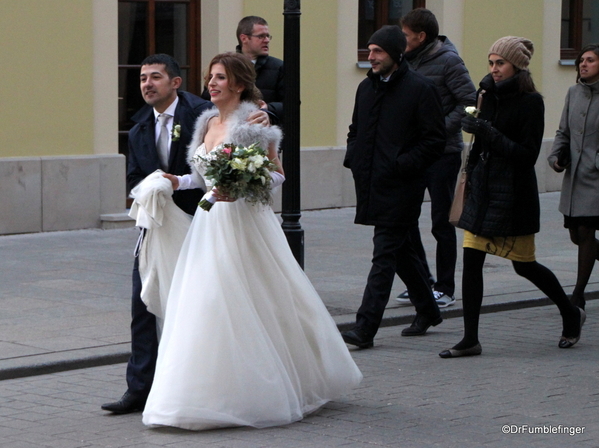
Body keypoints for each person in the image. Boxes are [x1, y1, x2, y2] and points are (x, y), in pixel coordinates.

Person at [142, 52, 362, 430]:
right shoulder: (206, 122)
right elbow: (203, 176)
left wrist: (242, 187)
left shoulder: (254, 123)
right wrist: (178, 181)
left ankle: (267, 387)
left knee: (252, 297)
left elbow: (278, 176)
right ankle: (200, 393)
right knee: (203, 300)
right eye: (211, 77)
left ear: (239, 85)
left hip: (244, 222)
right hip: (209, 224)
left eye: (220, 78)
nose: (211, 83)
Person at [101, 54, 268, 415]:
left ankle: (220, 382)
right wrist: (159, 186)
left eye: (155, 77)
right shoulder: (137, 128)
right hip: (158, 225)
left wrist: (263, 117)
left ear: (175, 82)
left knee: (204, 304)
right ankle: (140, 388)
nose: (146, 84)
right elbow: (134, 180)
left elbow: (244, 121)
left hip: (202, 223)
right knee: (143, 300)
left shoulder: (201, 112)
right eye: (142, 78)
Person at [439, 37, 585, 359]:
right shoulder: (485, 94)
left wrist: (489, 133)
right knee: (472, 260)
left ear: (516, 66)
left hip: (514, 195)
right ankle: (470, 339)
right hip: (483, 191)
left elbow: (527, 155)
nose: (494, 69)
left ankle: (570, 312)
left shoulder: (531, 102)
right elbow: (479, 146)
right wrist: (473, 133)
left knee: (525, 266)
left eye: (500, 63)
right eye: (491, 62)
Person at [341, 25, 446, 350]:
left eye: (378, 52)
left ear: (396, 55)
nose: (370, 57)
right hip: (372, 182)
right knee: (400, 252)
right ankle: (428, 309)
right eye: (369, 50)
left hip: (402, 187)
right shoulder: (366, 88)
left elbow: (435, 140)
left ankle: (365, 328)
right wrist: (355, 158)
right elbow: (355, 129)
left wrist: (402, 164)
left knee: (384, 253)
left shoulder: (420, 88)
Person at [394, 8, 476, 308]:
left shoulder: (449, 61)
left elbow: (469, 101)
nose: (402, 40)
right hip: (414, 154)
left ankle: (445, 288)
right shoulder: (406, 60)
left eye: (405, 35)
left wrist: (437, 131)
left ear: (421, 36)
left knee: (441, 222)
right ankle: (421, 281)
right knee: (406, 218)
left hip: (443, 153)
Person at [548, 43, 599, 312]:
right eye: (581, 60)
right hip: (575, 176)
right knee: (576, 237)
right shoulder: (573, 93)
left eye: (590, 60)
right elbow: (563, 131)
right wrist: (555, 157)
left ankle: (577, 294)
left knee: (586, 232)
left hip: (596, 178)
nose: (583, 64)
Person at [202, 15, 284, 125]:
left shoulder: (279, 67)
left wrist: (267, 108)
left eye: (268, 36)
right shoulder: (225, 65)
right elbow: (206, 100)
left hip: (263, 129)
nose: (267, 40)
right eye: (261, 36)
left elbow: (291, 104)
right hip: (227, 127)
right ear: (244, 38)